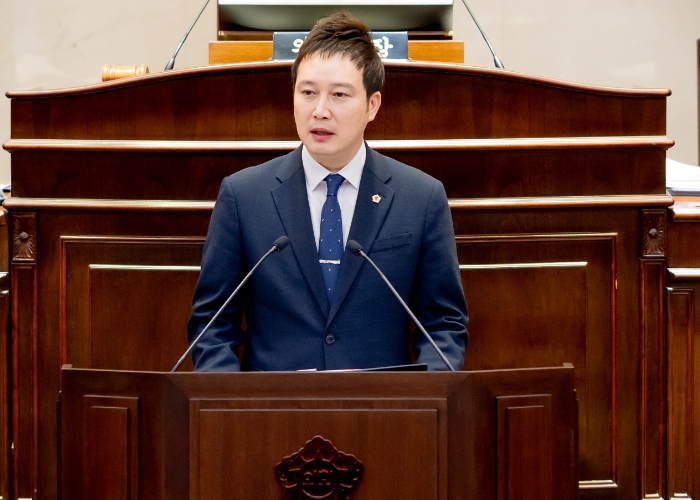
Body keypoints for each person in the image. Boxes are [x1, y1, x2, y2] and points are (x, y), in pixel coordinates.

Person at [187, 11, 468, 371]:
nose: (320, 111)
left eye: (339, 95)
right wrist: (230, 399)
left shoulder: (421, 198)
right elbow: (212, 327)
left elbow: (443, 325)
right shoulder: (243, 197)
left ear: (372, 105)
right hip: (272, 404)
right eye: (308, 93)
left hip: (382, 404)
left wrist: (422, 397)